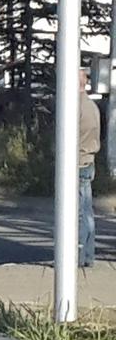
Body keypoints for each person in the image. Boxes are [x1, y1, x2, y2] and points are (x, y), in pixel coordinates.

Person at [79, 69, 100, 267]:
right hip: (89, 160)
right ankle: (88, 255)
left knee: (77, 213)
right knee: (87, 211)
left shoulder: (73, 107)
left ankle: (78, 254)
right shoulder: (92, 106)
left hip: (76, 162)